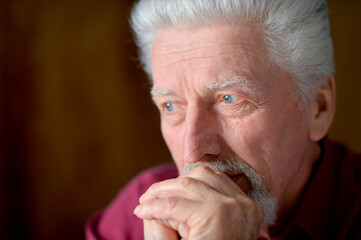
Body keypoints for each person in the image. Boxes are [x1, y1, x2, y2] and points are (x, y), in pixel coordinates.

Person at [86, 0, 361, 239]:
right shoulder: (138, 211)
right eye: (171, 105)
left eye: (229, 99)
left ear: (318, 107)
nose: (192, 150)